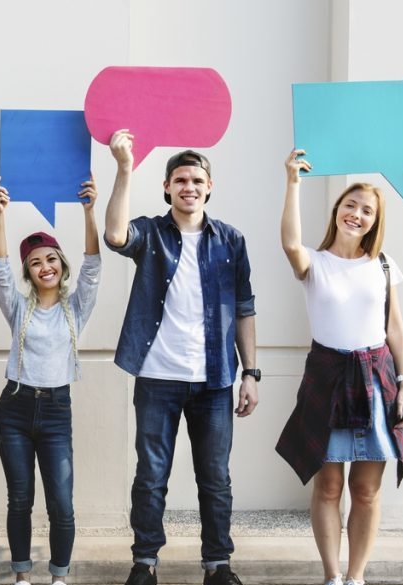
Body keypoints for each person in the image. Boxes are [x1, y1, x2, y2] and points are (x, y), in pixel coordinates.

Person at [104, 130, 259, 585]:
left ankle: (217, 565)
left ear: (209, 186)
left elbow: (245, 309)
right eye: (179, 180)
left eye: (196, 179)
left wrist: (250, 373)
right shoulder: (152, 233)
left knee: (215, 478)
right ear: (167, 187)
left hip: (214, 380)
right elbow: (115, 234)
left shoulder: (230, 240)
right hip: (157, 377)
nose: (188, 186)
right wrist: (124, 167)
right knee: (151, 476)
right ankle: (144, 562)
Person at [275, 149, 403, 585]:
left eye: (367, 210)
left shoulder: (382, 264)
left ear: (375, 221)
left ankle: (356, 577)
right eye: (350, 205)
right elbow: (288, 242)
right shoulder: (314, 263)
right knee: (328, 488)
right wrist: (292, 182)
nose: (356, 214)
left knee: (366, 491)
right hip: (327, 378)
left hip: (377, 382)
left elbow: (395, 329)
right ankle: (332, 576)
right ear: (338, 210)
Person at [0, 176, 101, 585]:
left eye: (51, 259)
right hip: (15, 408)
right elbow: (0, 271)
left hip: (56, 410)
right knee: (20, 498)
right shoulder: (19, 308)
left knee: (62, 502)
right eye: (35, 262)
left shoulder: (75, 308)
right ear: (30, 272)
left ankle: (58, 576)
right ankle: (22, 576)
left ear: (61, 264)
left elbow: (93, 268)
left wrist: (90, 212)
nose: (45, 267)